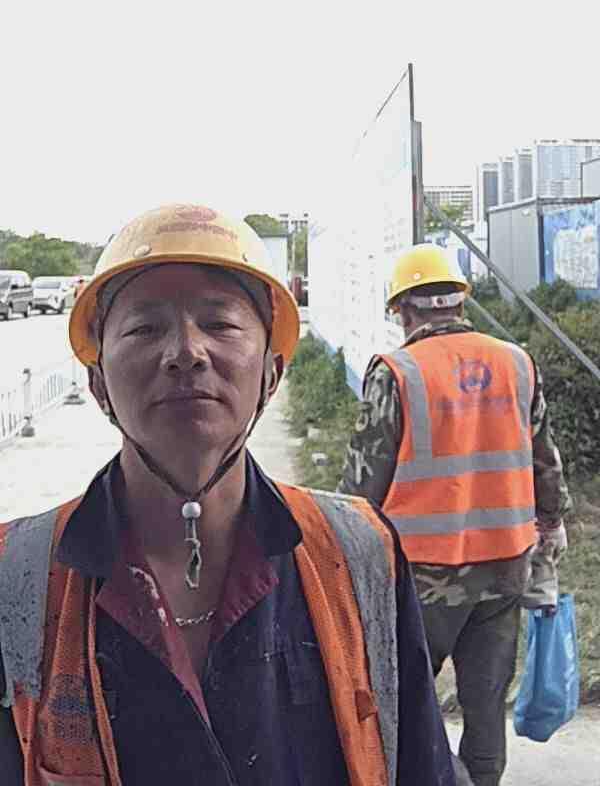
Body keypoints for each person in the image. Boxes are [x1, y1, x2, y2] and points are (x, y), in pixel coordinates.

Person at [0, 205, 456, 786]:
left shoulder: (358, 555)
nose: (186, 352)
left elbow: (418, 763)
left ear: (271, 373)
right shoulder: (18, 575)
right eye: (144, 329)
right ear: (97, 383)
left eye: (220, 324)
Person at [338, 243, 571, 786]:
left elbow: (362, 486)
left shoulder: (397, 371)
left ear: (405, 310)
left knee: (407, 699)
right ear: (460, 302)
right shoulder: (516, 362)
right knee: (485, 701)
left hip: (423, 576)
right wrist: (552, 521)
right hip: (506, 565)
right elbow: (545, 460)